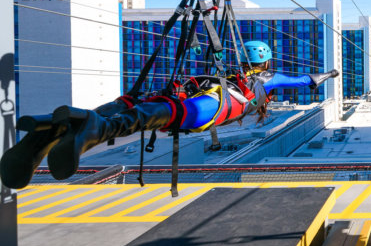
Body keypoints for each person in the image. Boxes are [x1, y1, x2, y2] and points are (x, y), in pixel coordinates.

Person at [0, 41, 339, 189]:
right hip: (216, 107)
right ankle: (93, 130)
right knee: (162, 115)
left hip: (201, 92)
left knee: (139, 106)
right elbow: (305, 80)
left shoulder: (228, 70)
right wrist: (329, 75)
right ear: (264, 63)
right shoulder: (267, 78)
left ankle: (52, 128)